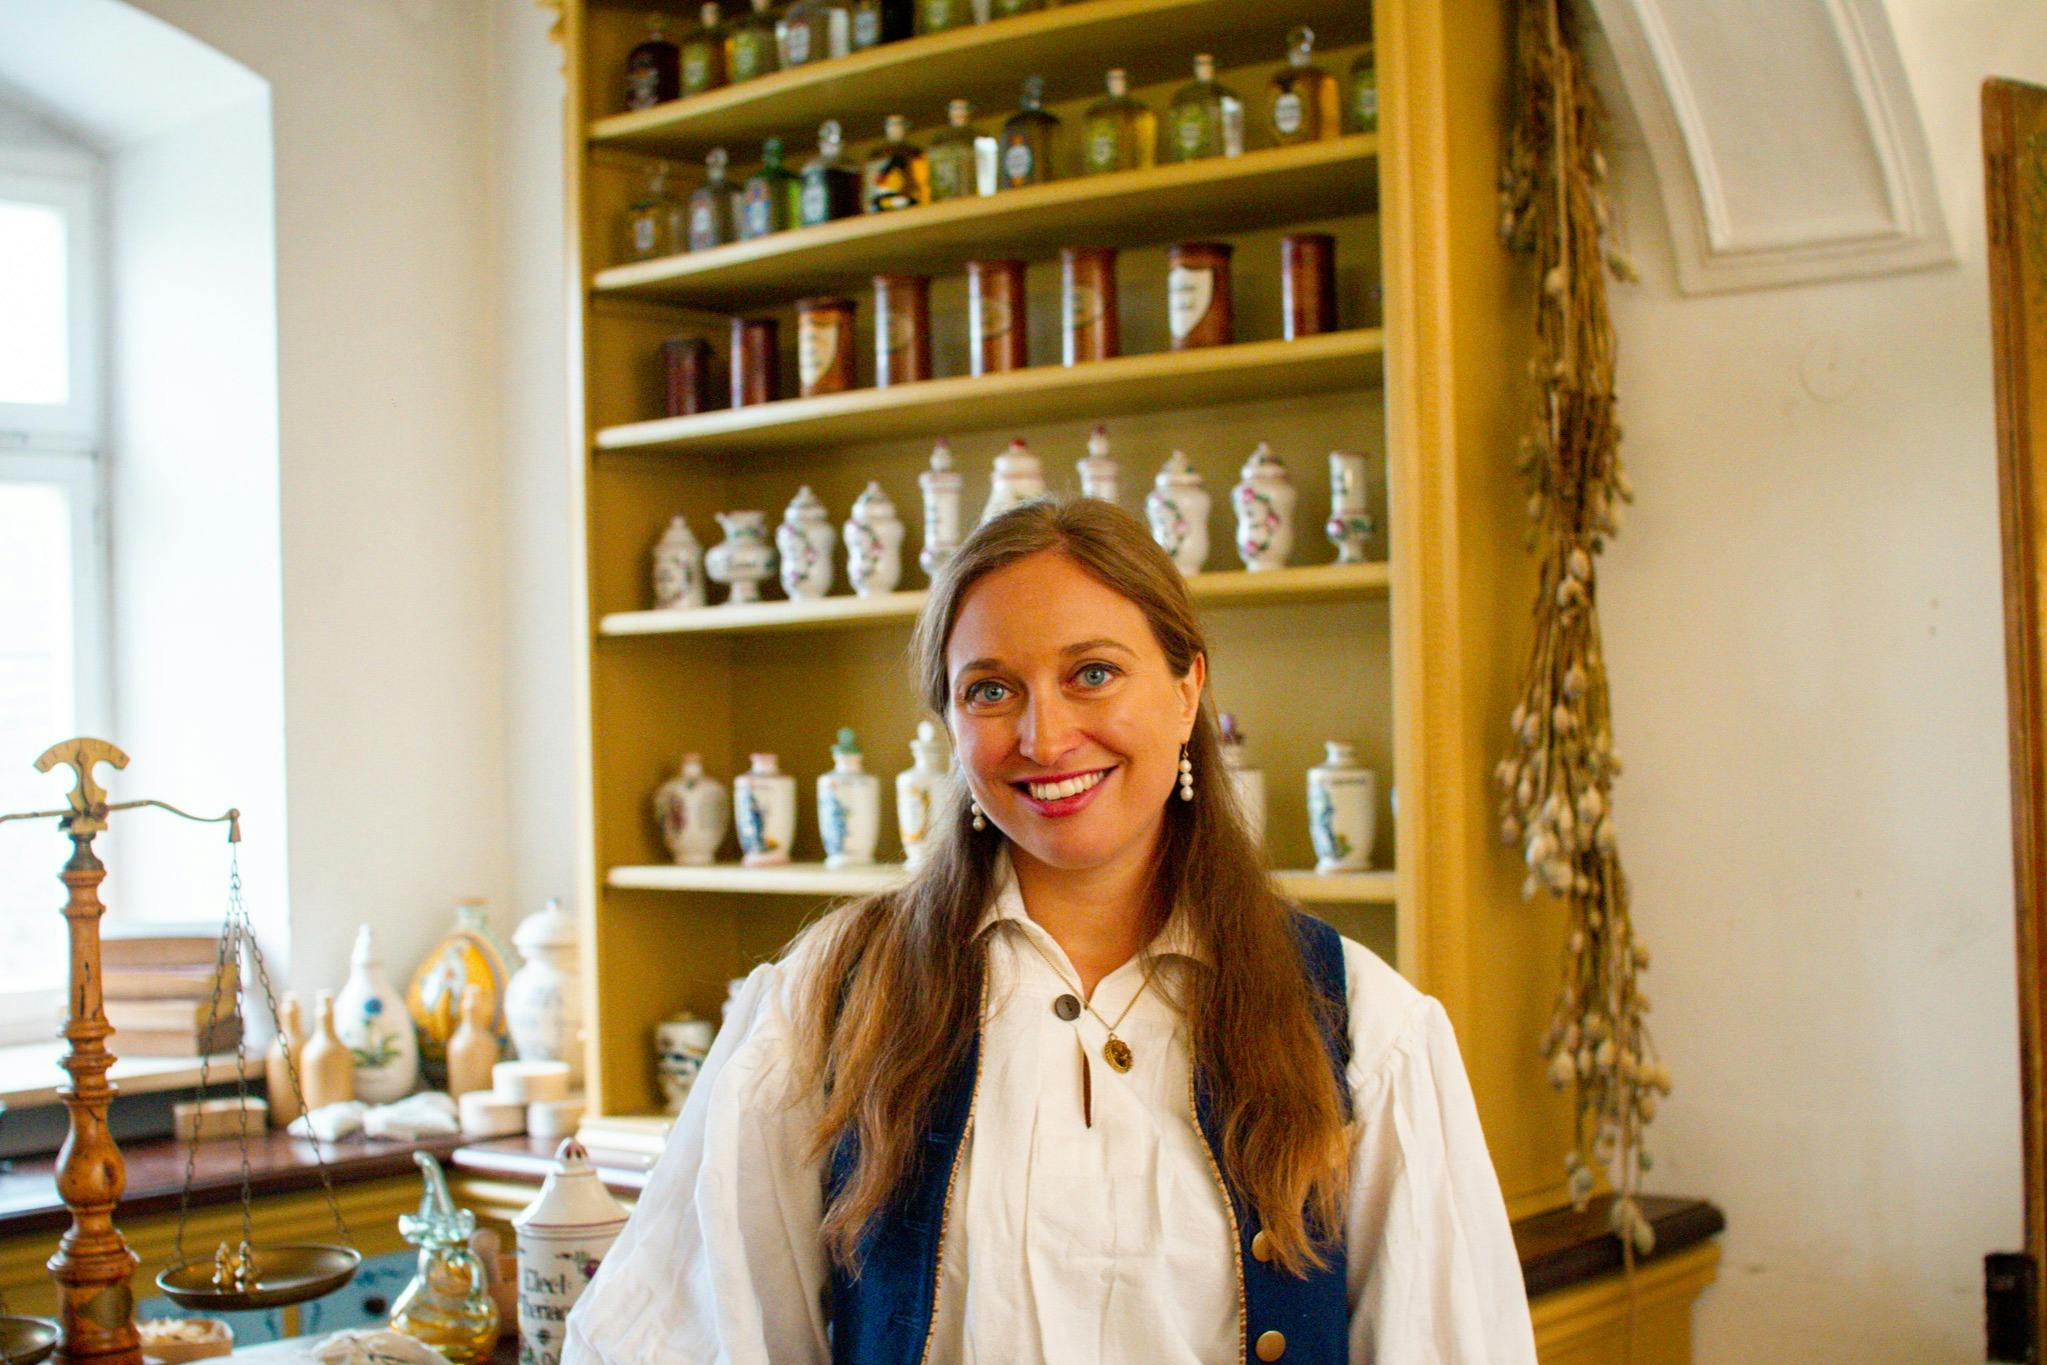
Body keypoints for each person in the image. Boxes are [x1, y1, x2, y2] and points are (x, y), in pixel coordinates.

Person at [563, 497, 1538, 1364]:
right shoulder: (831, 997)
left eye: (1093, 673)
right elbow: (687, 1327)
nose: (1044, 736)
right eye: (989, 689)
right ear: (949, 721)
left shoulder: (1362, 1021)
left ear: (1187, 687)